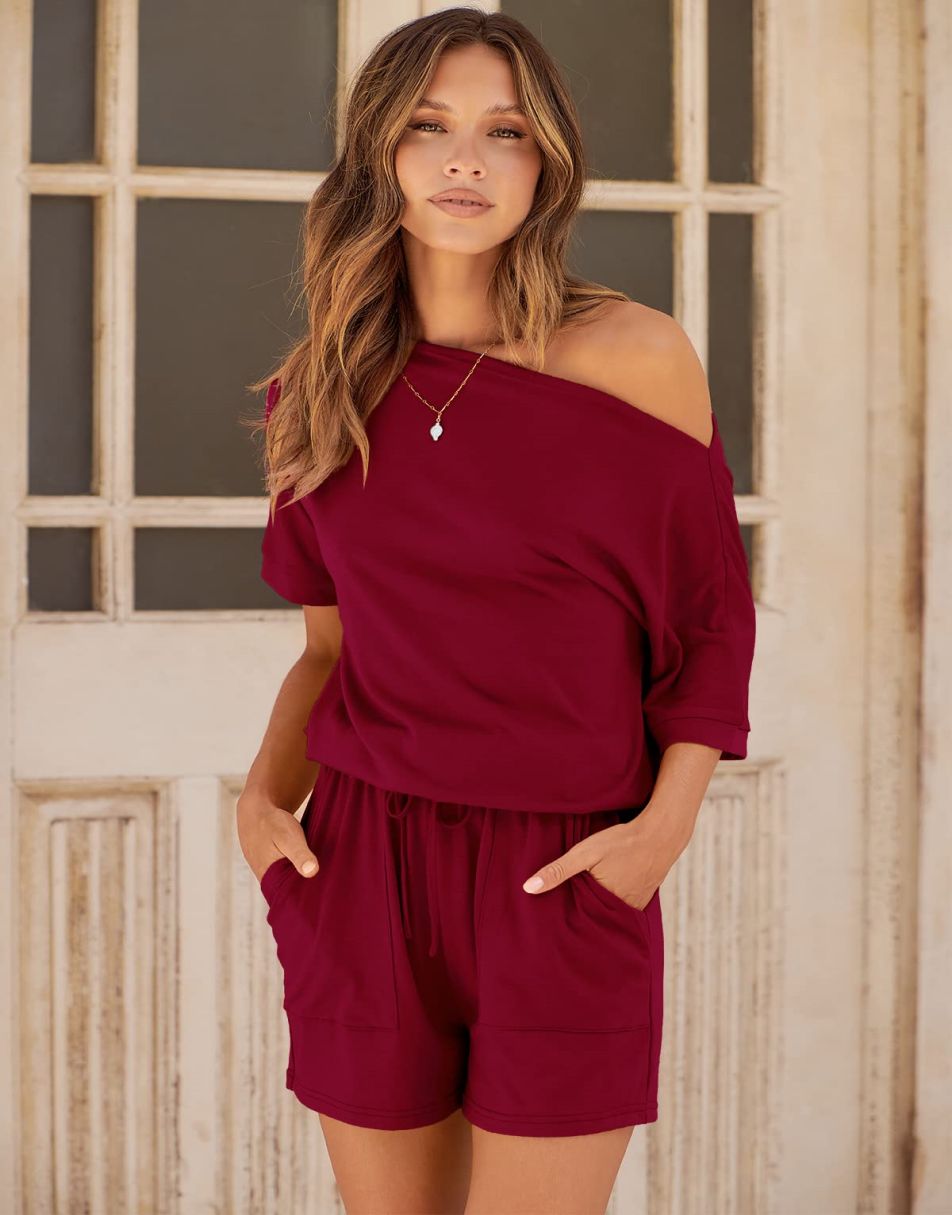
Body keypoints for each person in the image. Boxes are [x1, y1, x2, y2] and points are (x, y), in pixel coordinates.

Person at [236, 8, 756, 1214]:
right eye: (430, 126)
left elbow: (708, 624)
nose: (465, 160)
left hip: (560, 869)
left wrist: (658, 834)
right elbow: (327, 648)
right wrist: (261, 805)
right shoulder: (319, 390)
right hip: (362, 866)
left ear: (546, 162)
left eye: (504, 131)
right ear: (379, 153)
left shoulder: (634, 357)